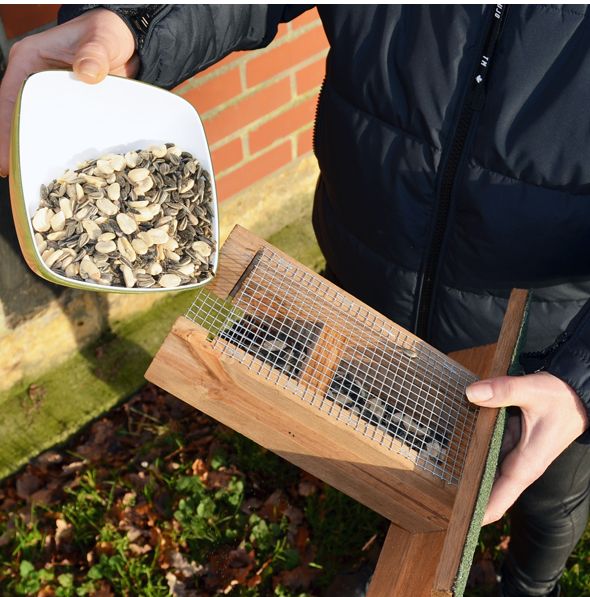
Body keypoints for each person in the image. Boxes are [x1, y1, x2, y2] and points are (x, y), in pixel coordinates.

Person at [1, 6, 589, 596]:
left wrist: (579, 382)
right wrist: (135, 18)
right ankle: (407, 523)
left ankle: (534, 583)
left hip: (546, 343)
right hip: (369, 293)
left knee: (548, 497)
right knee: (400, 456)